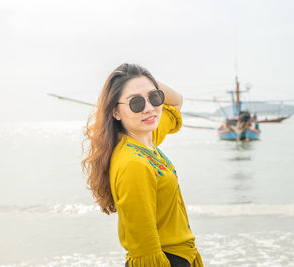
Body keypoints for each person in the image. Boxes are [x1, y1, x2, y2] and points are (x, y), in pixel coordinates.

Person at [82, 63, 203, 267]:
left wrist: (143, 79)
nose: (149, 108)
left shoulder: (144, 139)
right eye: (135, 103)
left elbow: (176, 102)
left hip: (181, 256)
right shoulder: (133, 164)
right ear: (116, 112)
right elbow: (144, 250)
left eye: (154, 97)